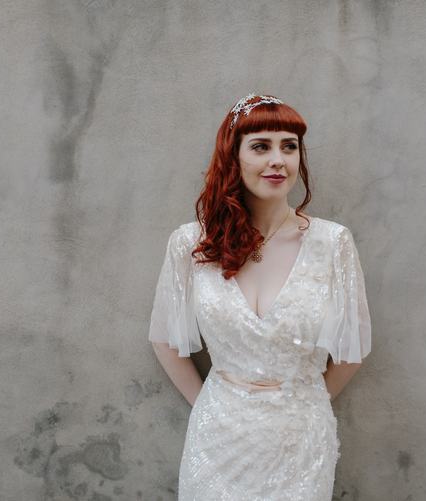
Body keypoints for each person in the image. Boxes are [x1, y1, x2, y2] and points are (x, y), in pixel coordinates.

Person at [148, 93, 372, 500]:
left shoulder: (332, 242)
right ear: (233, 158)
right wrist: (206, 405)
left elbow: (352, 348)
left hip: (300, 436)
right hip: (217, 435)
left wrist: (304, 399)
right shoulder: (191, 243)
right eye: (261, 147)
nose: (278, 160)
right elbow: (164, 338)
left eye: (289, 146)